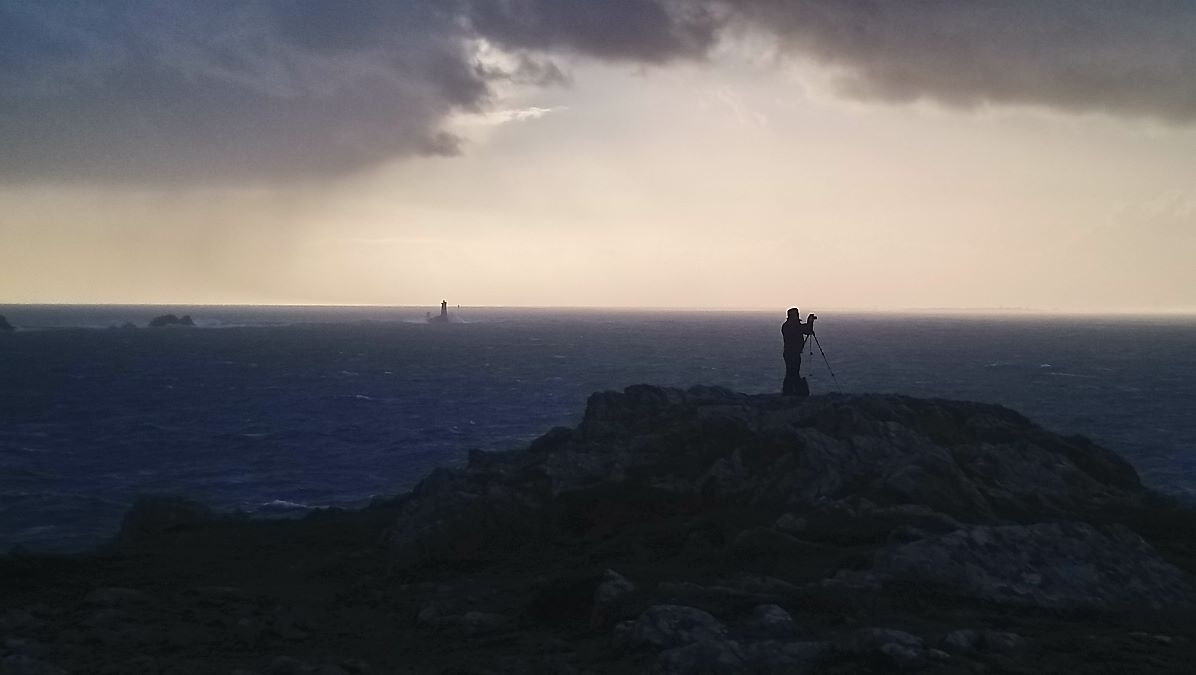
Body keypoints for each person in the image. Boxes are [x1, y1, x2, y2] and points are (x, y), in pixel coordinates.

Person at [781, 307, 816, 396]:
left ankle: (789, 391)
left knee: (791, 372)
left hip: (789, 353)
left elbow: (804, 329)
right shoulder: (793, 326)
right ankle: (792, 391)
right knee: (793, 372)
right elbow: (807, 330)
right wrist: (810, 322)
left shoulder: (786, 325)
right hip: (793, 353)